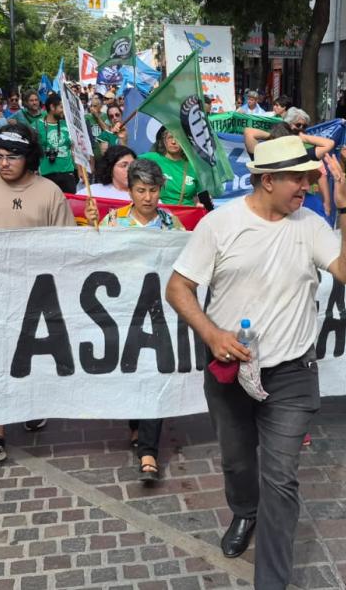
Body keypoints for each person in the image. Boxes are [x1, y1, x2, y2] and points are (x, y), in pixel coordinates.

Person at [165, 136, 346, 588]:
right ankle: (243, 511)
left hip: (293, 374)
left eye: (309, 178)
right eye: (299, 178)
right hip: (230, 371)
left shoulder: (311, 224)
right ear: (268, 179)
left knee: (280, 479)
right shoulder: (220, 225)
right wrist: (211, 333)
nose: (306, 186)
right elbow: (178, 288)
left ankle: (270, 582)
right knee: (238, 463)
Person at [0, 124, 78, 464]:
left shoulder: (50, 192)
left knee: (30, 356)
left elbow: (68, 244)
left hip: (36, 295)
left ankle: (31, 405)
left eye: (12, 157)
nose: (4, 163)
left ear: (28, 158)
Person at [99, 158, 188, 480]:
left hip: (159, 316)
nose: (148, 197)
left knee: (154, 377)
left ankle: (148, 452)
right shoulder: (113, 222)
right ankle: (137, 427)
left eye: (153, 190)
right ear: (130, 191)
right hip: (124, 315)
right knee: (133, 375)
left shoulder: (172, 226)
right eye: (141, 190)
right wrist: (93, 235)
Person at [139, 127, 204, 207]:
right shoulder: (152, 158)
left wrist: (202, 203)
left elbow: (200, 195)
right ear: (164, 140)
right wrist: (123, 139)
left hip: (188, 215)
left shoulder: (193, 165)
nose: (173, 142)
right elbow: (125, 163)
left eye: (178, 138)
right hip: (161, 214)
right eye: (170, 137)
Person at [37, 93, 78, 192]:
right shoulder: (37, 125)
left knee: (69, 206)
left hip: (68, 174)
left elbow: (73, 148)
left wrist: (78, 170)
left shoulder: (67, 125)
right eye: (61, 107)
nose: (63, 111)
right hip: (46, 175)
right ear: (52, 107)